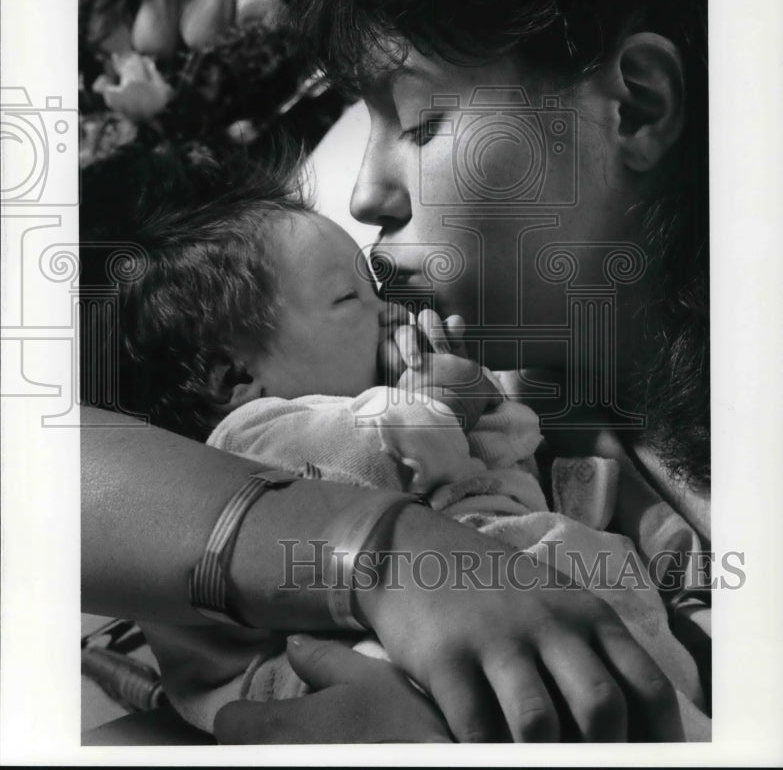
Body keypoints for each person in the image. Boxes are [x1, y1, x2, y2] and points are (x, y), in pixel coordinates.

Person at [81, 0, 709, 743]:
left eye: (416, 122)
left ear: (633, 108)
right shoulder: (525, 373)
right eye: (363, 123)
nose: (366, 195)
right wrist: (380, 550)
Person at [80, 145, 707, 738]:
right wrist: (442, 396)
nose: (391, 312)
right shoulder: (252, 439)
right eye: (350, 297)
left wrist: (482, 402)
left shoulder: (369, 404)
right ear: (235, 376)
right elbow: (378, 454)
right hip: (385, 669)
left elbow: (500, 459)